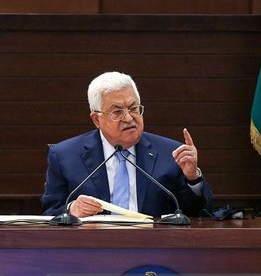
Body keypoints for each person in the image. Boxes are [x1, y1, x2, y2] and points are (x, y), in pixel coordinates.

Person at [41, 71, 212, 218]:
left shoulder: (171, 153)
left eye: (133, 108)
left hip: (155, 248)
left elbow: (198, 212)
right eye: (117, 112)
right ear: (96, 119)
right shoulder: (65, 156)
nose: (129, 118)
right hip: (92, 249)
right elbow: (49, 213)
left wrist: (192, 178)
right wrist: (72, 209)